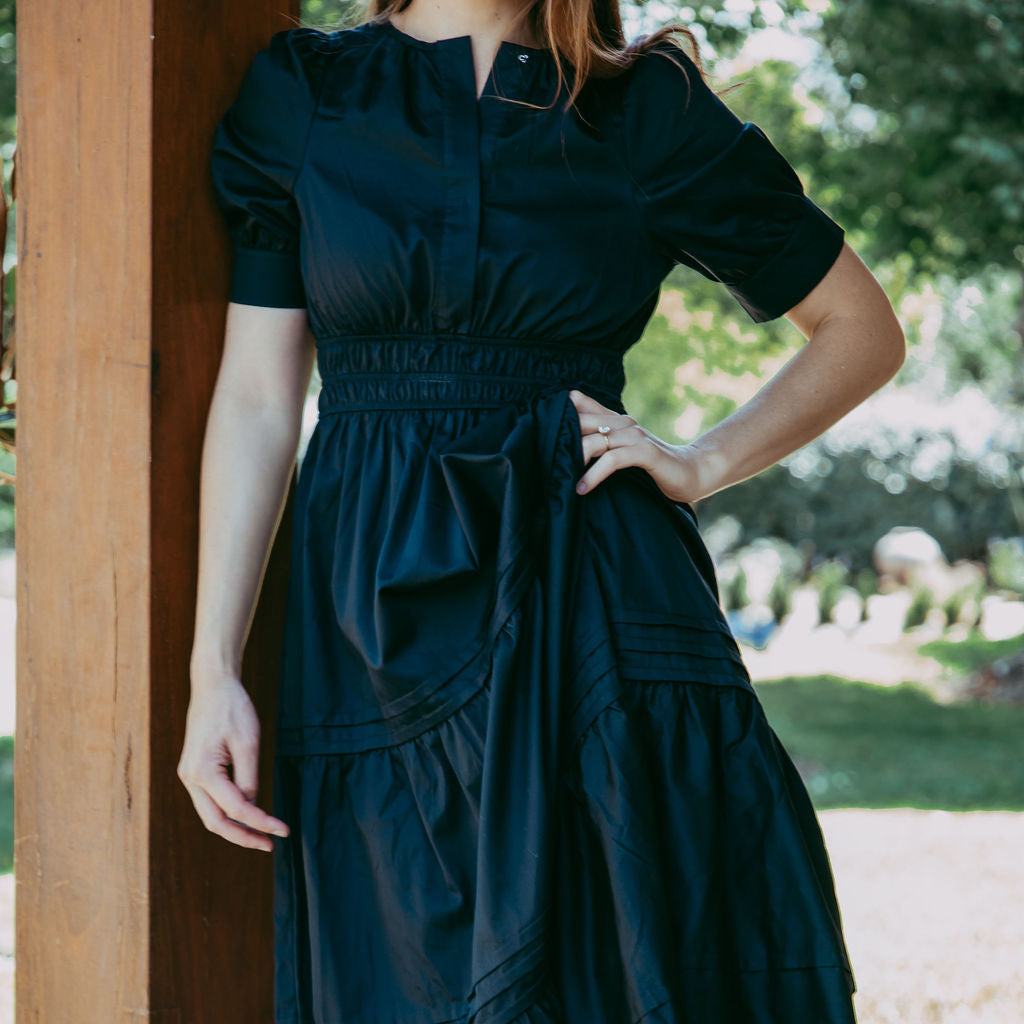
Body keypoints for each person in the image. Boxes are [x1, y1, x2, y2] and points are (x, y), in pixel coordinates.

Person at [178, 0, 904, 1019]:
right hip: (364, 627)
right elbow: (258, 397)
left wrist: (698, 461)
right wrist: (214, 668)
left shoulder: (638, 108)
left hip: (590, 602)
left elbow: (859, 327)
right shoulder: (305, 94)